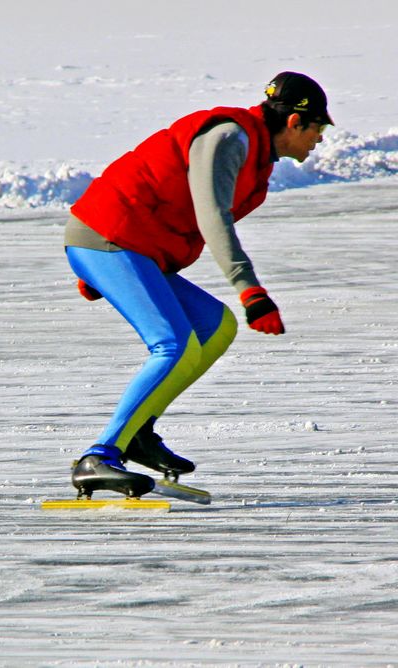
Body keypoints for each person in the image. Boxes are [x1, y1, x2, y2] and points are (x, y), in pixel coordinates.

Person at [63, 72, 332, 499]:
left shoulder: (255, 156)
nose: (320, 138)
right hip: (108, 237)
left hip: (132, 247)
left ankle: (137, 432)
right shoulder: (230, 138)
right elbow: (211, 217)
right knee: (173, 343)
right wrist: (250, 289)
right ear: (296, 123)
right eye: (319, 127)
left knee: (214, 326)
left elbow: (176, 210)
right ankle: (99, 456)